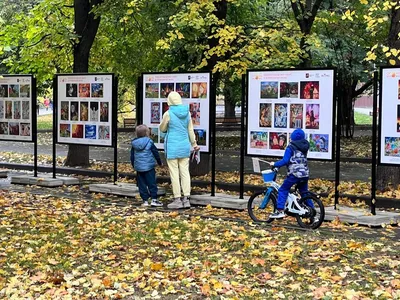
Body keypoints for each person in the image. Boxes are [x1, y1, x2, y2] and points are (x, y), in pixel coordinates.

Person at [159, 91, 200, 209]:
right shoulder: (187, 113)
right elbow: (190, 131)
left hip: (172, 147)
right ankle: (186, 199)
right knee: (185, 173)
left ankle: (177, 199)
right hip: (184, 146)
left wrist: (165, 126)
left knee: (174, 173)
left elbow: (162, 128)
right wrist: (194, 144)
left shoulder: (168, 113)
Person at [269, 128, 311, 218]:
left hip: (295, 174)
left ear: (292, 137)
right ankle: (313, 214)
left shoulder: (290, 147)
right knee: (305, 193)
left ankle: (280, 210)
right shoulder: (305, 147)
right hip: (305, 173)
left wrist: (275, 164)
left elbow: (285, 160)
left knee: (283, 189)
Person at [130, 124, 163, 207]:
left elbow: (132, 156)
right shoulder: (150, 142)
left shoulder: (134, 143)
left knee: (141, 184)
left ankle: (145, 200)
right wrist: (159, 162)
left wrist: (134, 165)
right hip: (149, 167)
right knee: (151, 183)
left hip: (139, 168)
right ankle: (154, 199)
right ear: (147, 133)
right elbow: (155, 153)